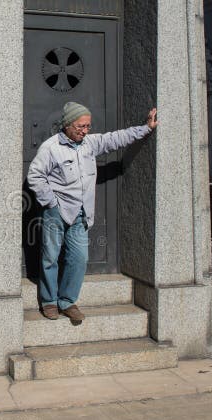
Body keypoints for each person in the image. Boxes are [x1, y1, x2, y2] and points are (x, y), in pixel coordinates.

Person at [27, 102, 158, 322]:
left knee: (79, 259)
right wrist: (51, 202)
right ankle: (49, 302)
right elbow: (35, 176)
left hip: (81, 214)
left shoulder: (89, 143)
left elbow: (115, 138)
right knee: (50, 258)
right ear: (67, 125)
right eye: (80, 126)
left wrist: (145, 129)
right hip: (56, 212)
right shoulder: (51, 148)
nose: (85, 130)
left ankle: (67, 301)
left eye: (87, 126)